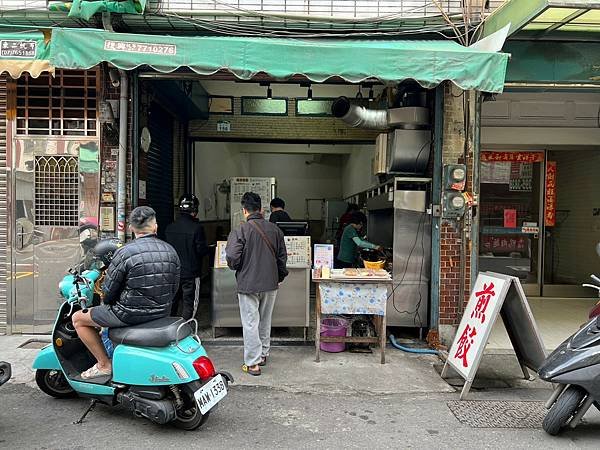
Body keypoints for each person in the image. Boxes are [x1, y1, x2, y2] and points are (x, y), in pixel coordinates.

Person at [72, 206, 180, 380]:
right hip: (162, 312)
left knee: (78, 319)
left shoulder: (124, 252)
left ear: (131, 228)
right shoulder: (171, 251)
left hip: (128, 314)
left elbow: (108, 292)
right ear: (155, 227)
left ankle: (104, 364)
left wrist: (109, 304)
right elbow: (174, 288)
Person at [226, 192, 288, 376]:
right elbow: (282, 258)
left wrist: (238, 267)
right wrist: (279, 276)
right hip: (270, 283)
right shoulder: (275, 230)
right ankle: (263, 354)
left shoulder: (240, 230)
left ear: (244, 211)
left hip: (248, 284)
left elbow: (231, 257)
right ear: (261, 210)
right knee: (265, 319)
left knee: (250, 322)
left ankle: (253, 363)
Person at [165, 194, 209, 320]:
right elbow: (201, 250)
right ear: (195, 210)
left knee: (172, 301)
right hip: (191, 273)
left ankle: (169, 328)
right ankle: (186, 329)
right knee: (189, 303)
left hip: (173, 272)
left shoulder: (169, 228)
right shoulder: (197, 228)